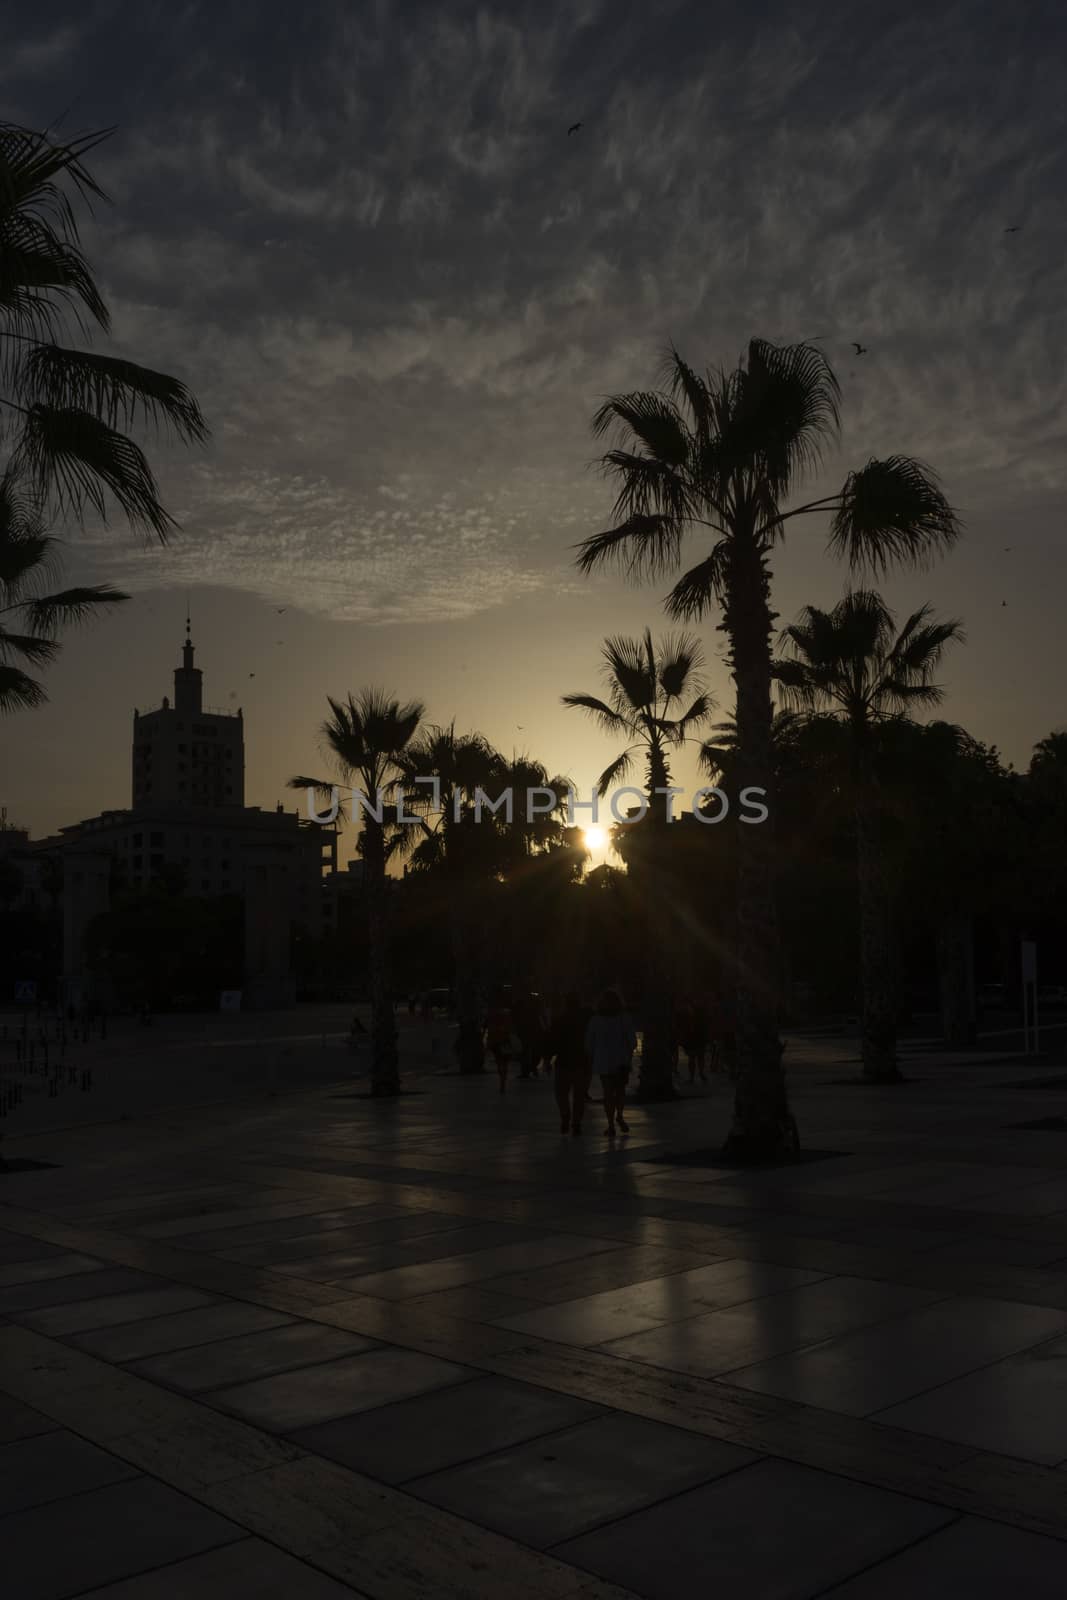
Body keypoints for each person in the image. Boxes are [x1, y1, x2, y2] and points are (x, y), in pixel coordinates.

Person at [585, 989, 636, 1138]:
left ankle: (610, 1124)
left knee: (607, 1093)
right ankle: (619, 1115)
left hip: (603, 1062)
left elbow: (589, 1043)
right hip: (621, 1061)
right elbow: (632, 1041)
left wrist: (591, 1055)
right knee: (620, 1091)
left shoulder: (596, 1019)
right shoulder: (624, 1018)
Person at [548, 991, 592, 1135]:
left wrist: (547, 1059)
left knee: (561, 1093)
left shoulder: (559, 1020)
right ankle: (576, 1122)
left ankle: (565, 1115)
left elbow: (552, 1042)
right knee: (579, 1096)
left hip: (563, 1063)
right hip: (582, 1063)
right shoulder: (586, 1021)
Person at [485, 988, 516, 1093]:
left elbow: (488, 1027)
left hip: (498, 1040)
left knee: (500, 1062)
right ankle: (503, 1081)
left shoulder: (493, 1012)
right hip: (502, 1040)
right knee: (503, 1062)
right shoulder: (505, 1013)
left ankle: (502, 1081)